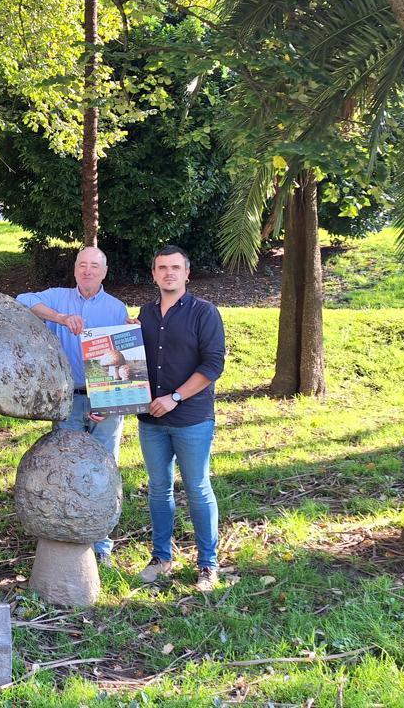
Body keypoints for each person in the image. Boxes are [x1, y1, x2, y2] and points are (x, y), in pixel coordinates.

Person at [16, 246, 130, 566]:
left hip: (106, 399)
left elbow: (126, 362)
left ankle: (102, 546)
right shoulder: (57, 297)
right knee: (64, 468)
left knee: (105, 467)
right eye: (82, 265)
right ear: (75, 269)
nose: (88, 270)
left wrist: (107, 403)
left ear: (104, 272)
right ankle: (65, 538)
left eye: (95, 266)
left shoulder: (117, 309)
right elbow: (22, 300)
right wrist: (61, 319)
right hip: (67, 398)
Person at [134, 246, 226, 591]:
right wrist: (125, 336)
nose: (168, 273)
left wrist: (174, 398)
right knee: (158, 489)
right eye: (162, 268)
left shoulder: (205, 313)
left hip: (190, 418)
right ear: (154, 274)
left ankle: (207, 564)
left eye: (175, 267)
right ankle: (161, 557)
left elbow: (212, 366)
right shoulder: (143, 313)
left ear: (187, 273)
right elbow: (128, 363)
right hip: (151, 420)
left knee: (198, 488)